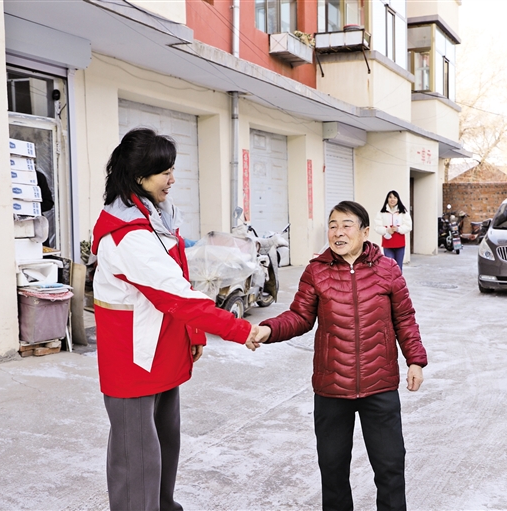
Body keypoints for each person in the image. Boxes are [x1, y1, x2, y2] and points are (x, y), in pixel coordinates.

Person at [91, 127, 261, 511]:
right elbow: (176, 294)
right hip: (136, 357)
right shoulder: (128, 236)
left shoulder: (156, 217)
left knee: (166, 443)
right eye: (164, 172)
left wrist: (194, 333)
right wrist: (240, 329)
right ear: (139, 176)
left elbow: (179, 278)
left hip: (162, 347)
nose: (172, 179)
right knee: (137, 459)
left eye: (172, 169)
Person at [255, 200, 427, 511]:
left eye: (347, 225)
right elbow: (300, 316)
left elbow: (404, 318)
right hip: (332, 387)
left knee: (390, 468)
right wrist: (268, 330)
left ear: (365, 232)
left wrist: (415, 360)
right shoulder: (316, 271)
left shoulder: (388, 269)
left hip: (379, 384)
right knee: (333, 472)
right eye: (333, 226)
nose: (338, 232)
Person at [373, 190, 412, 271]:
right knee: (389, 267)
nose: (392, 199)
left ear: (398, 199)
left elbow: (408, 226)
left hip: (400, 244)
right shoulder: (381, 213)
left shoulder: (403, 212)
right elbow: (377, 227)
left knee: (398, 268)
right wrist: (386, 230)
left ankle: (399, 280)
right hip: (387, 244)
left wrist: (398, 229)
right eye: (390, 197)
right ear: (387, 199)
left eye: (395, 197)